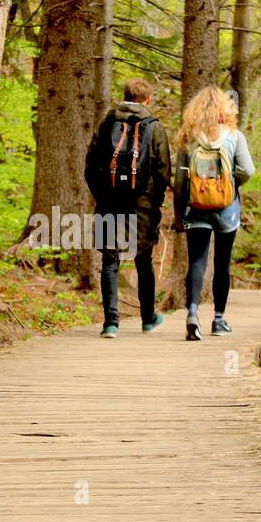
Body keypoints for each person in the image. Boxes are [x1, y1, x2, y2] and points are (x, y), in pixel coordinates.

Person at [84, 78, 172, 338]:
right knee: (143, 260)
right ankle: (148, 319)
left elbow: (90, 165)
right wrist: (153, 201)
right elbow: (163, 170)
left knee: (110, 261)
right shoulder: (154, 127)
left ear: (125, 96)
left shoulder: (107, 122)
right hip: (142, 205)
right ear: (147, 100)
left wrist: (101, 194)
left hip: (109, 202)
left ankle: (111, 323)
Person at [172, 86, 254, 340]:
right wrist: (231, 184)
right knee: (222, 263)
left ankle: (193, 312)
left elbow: (178, 182)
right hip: (226, 209)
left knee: (197, 261)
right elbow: (248, 170)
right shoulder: (234, 136)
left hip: (196, 208)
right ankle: (218, 320)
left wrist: (179, 213)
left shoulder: (189, 137)